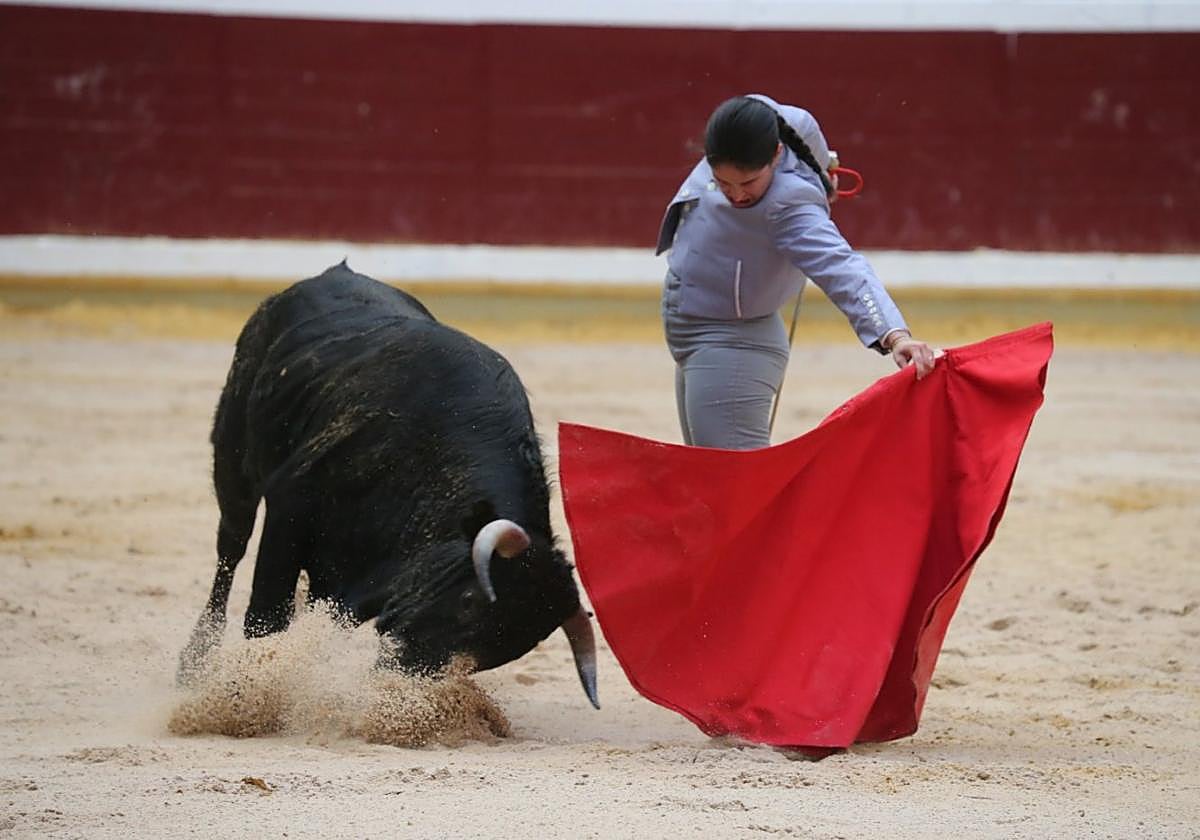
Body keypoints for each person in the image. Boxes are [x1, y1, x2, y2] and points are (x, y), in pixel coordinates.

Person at [657, 94, 936, 450]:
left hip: (733, 343)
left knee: (732, 487)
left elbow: (842, 267)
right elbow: (782, 115)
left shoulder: (788, 204)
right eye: (723, 183)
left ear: (775, 155)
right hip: (703, 334)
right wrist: (823, 172)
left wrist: (894, 334)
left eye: (748, 183)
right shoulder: (752, 128)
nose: (736, 195)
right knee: (712, 477)